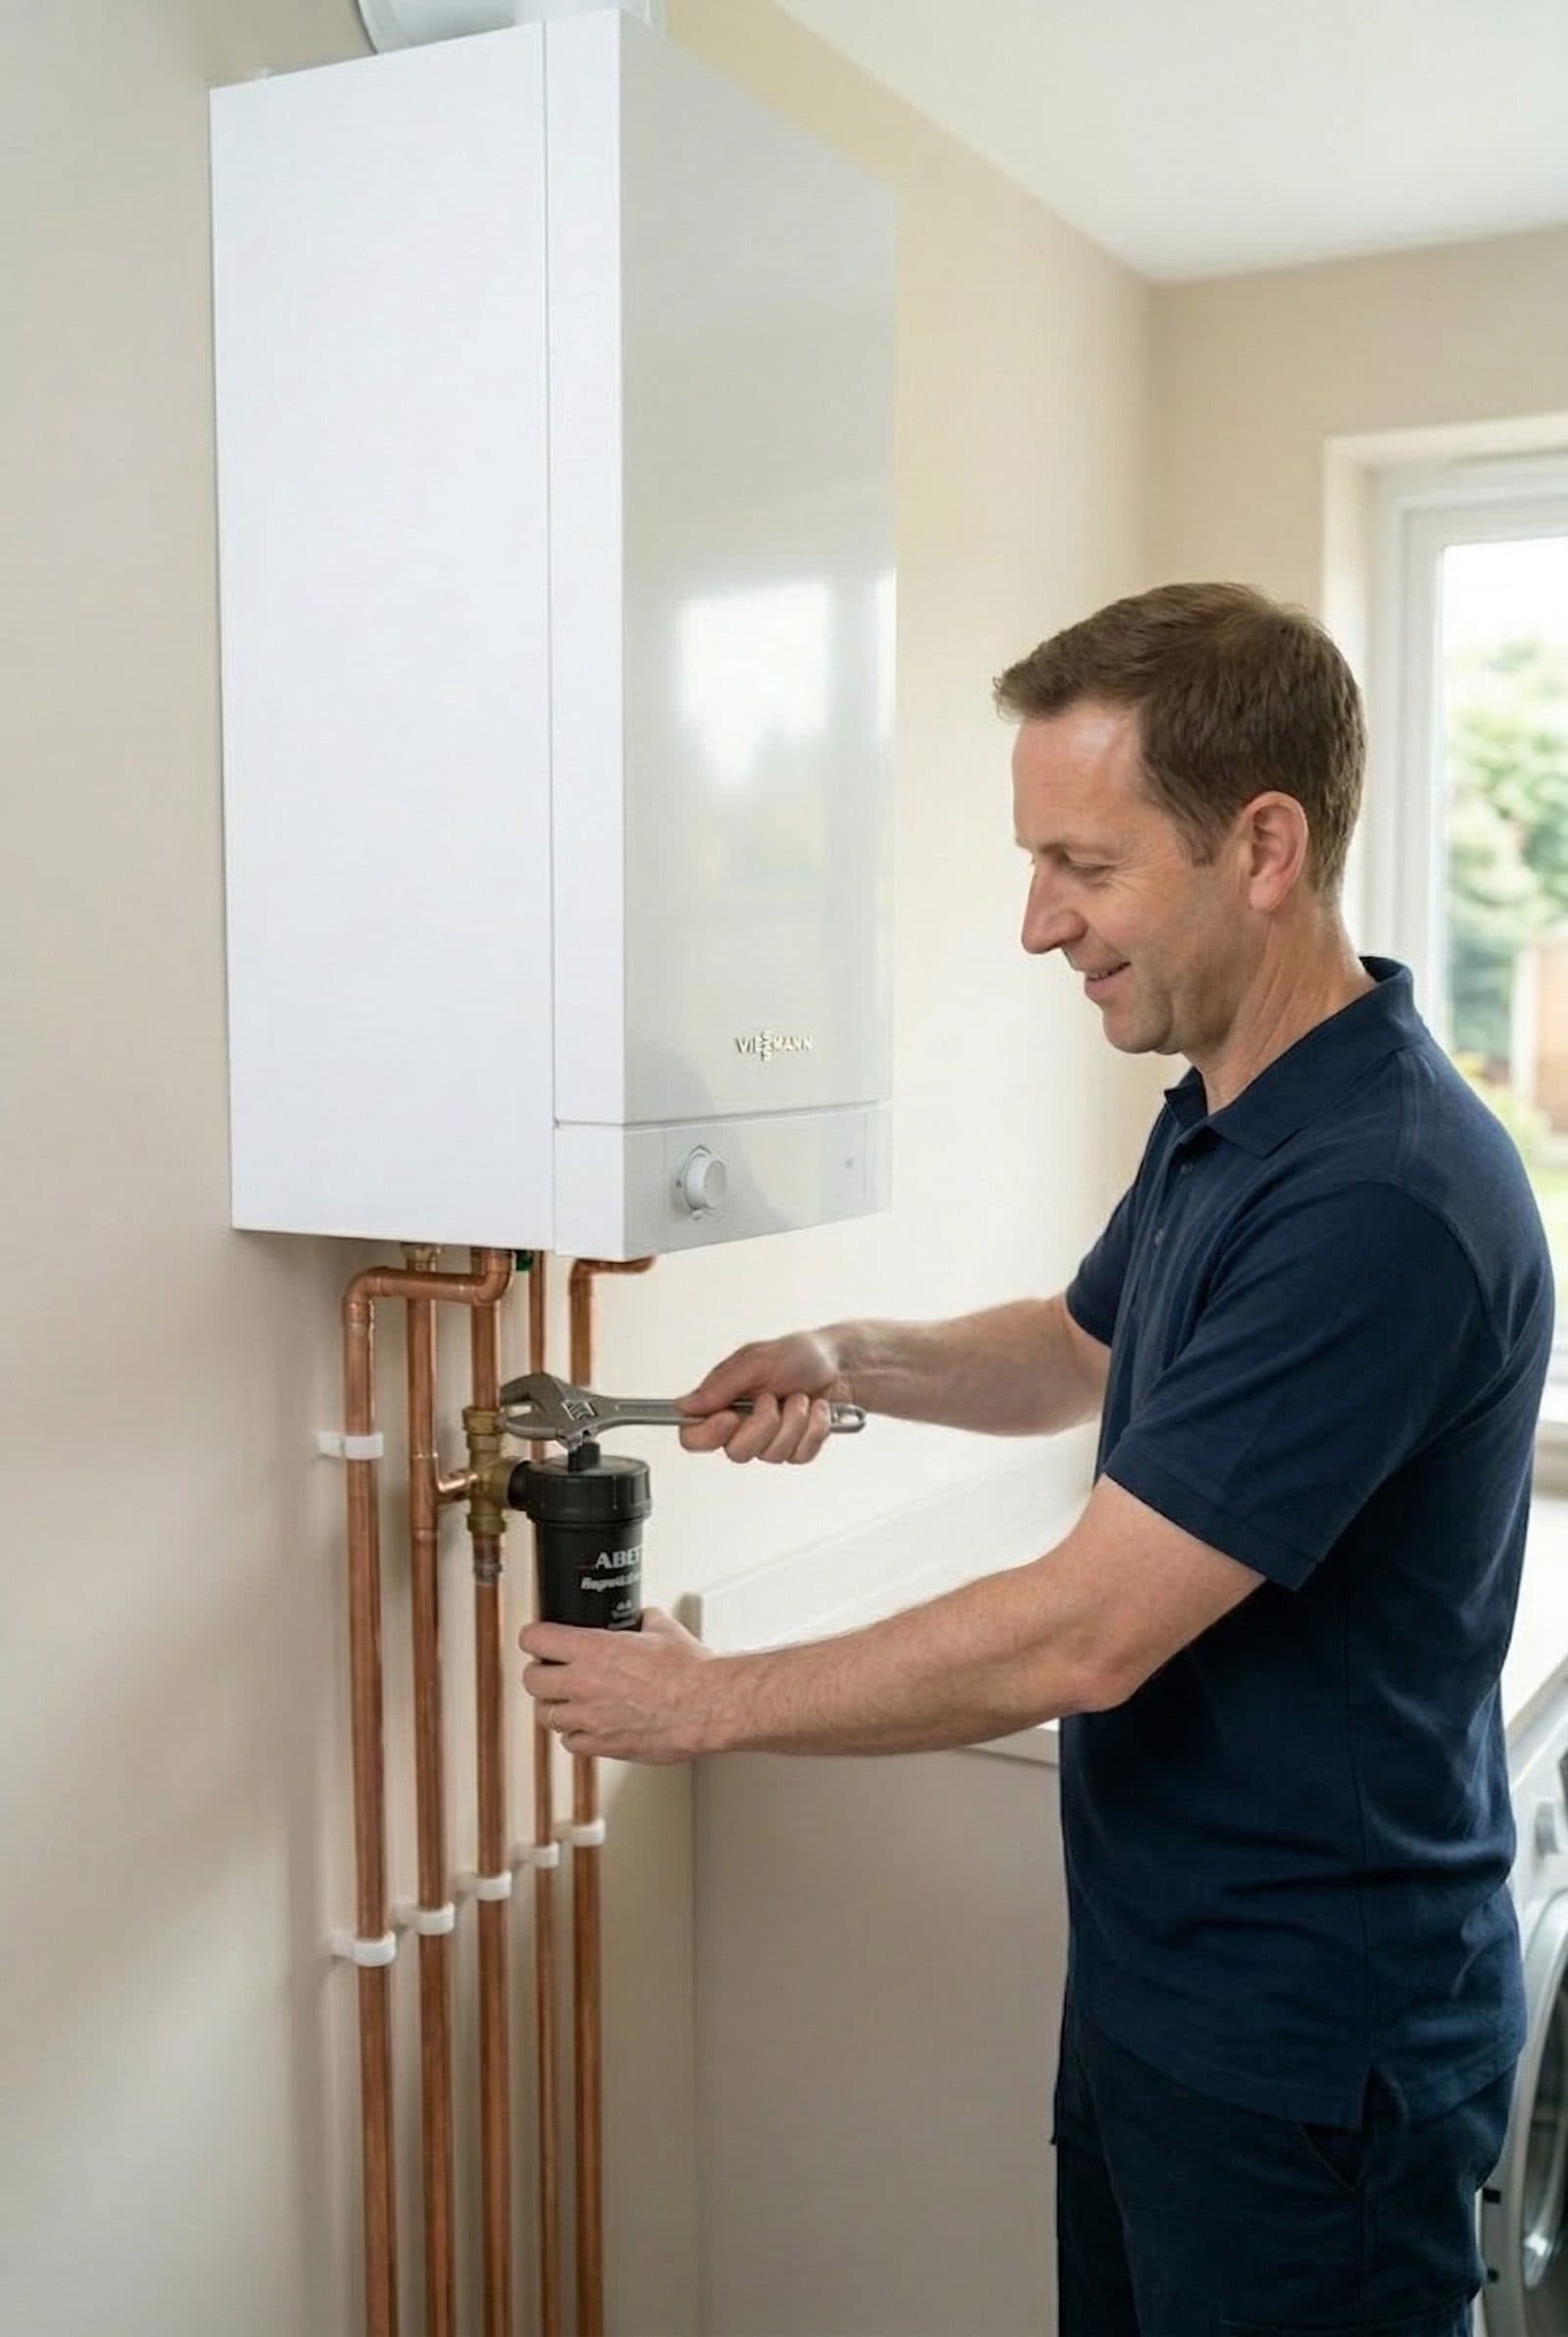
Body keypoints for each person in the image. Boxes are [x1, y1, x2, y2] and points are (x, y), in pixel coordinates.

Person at [520, 580, 1552, 2337]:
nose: (1035, 922)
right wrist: (850, 1356)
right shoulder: (1235, 1114)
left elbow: (1088, 1633)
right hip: (1167, 2001)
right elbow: (1082, 1349)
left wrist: (704, 1703)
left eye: (1084, 864)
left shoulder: (1377, 1195)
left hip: (1314, 2060)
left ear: (1265, 847)